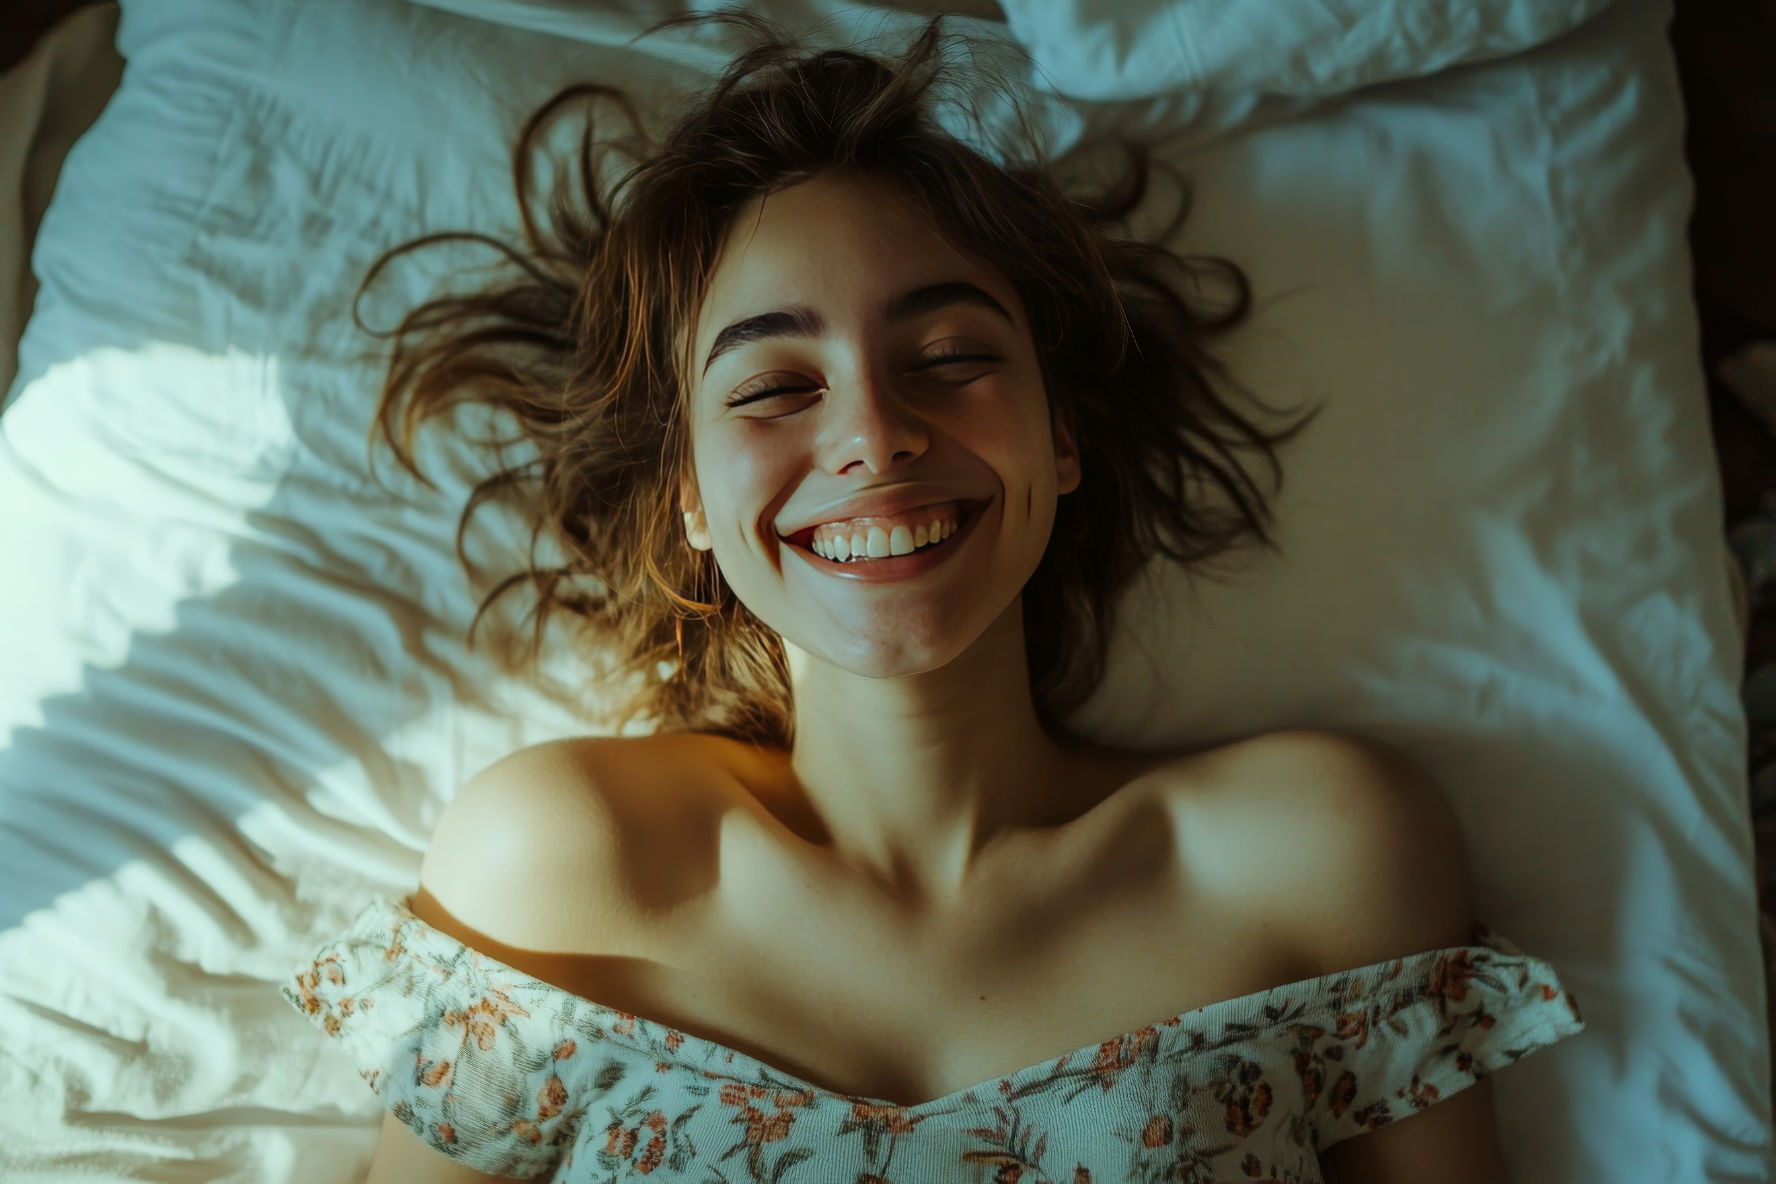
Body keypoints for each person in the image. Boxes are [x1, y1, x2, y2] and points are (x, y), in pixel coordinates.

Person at [282, 12, 1585, 1182]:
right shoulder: (560, 867)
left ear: (1061, 438)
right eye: (774, 388)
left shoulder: (1314, 852)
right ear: (689, 494)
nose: (874, 433)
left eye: (950, 356)